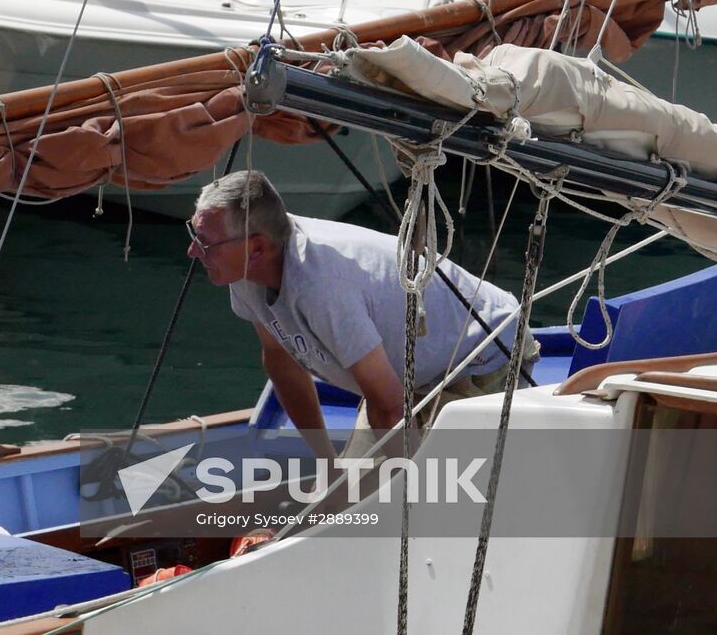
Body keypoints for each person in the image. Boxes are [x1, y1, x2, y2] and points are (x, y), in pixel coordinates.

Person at [188, 170, 534, 460]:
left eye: (204, 241)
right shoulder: (246, 269)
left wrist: (412, 501)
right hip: (401, 381)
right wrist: (327, 465)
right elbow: (281, 360)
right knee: (353, 503)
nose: (193, 251)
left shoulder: (322, 287)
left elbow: (388, 408)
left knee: (444, 498)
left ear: (258, 246)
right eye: (195, 234)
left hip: (483, 357)